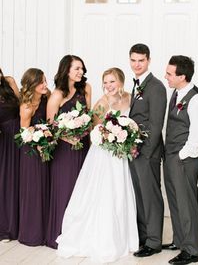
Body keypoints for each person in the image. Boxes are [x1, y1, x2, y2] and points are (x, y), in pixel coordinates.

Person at [56, 67, 139, 263]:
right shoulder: (102, 103)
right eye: (105, 82)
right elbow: (94, 132)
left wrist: (126, 138)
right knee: (105, 193)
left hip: (121, 155)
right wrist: (109, 136)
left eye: (112, 81)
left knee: (121, 193)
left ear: (121, 82)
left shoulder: (129, 98)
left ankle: (123, 236)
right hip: (104, 154)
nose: (108, 86)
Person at [164, 56, 198, 265]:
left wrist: (181, 156)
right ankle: (180, 240)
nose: (166, 77)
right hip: (172, 156)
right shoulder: (176, 92)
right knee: (175, 200)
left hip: (184, 158)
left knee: (187, 203)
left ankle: (191, 251)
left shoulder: (197, 99)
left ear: (182, 76)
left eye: (169, 74)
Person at [46, 55, 91, 249]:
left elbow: (89, 117)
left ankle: (81, 235)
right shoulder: (56, 95)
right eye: (77, 68)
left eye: (82, 68)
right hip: (64, 150)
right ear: (66, 70)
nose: (81, 72)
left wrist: (83, 133)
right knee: (65, 190)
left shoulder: (86, 89)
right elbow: (50, 125)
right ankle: (60, 233)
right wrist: (68, 137)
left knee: (82, 191)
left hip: (83, 147)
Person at [128, 43, 167, 257]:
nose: (137, 64)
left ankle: (154, 242)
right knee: (140, 196)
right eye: (133, 60)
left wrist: (145, 152)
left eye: (141, 60)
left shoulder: (157, 87)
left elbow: (156, 124)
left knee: (151, 196)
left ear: (149, 60)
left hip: (147, 152)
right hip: (134, 151)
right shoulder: (137, 84)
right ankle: (143, 238)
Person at [18, 68, 50, 246]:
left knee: (45, 187)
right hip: (30, 153)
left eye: (45, 80)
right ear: (31, 85)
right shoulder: (26, 106)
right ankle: (32, 232)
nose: (45, 85)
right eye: (40, 82)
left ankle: (45, 229)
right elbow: (23, 134)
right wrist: (37, 140)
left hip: (45, 148)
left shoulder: (47, 97)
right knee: (33, 190)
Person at [0, 68, 20, 242]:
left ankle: (20, 224)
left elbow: (22, 105)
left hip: (19, 135)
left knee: (19, 179)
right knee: (5, 181)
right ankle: (5, 227)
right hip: (3, 140)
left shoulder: (9, 82)